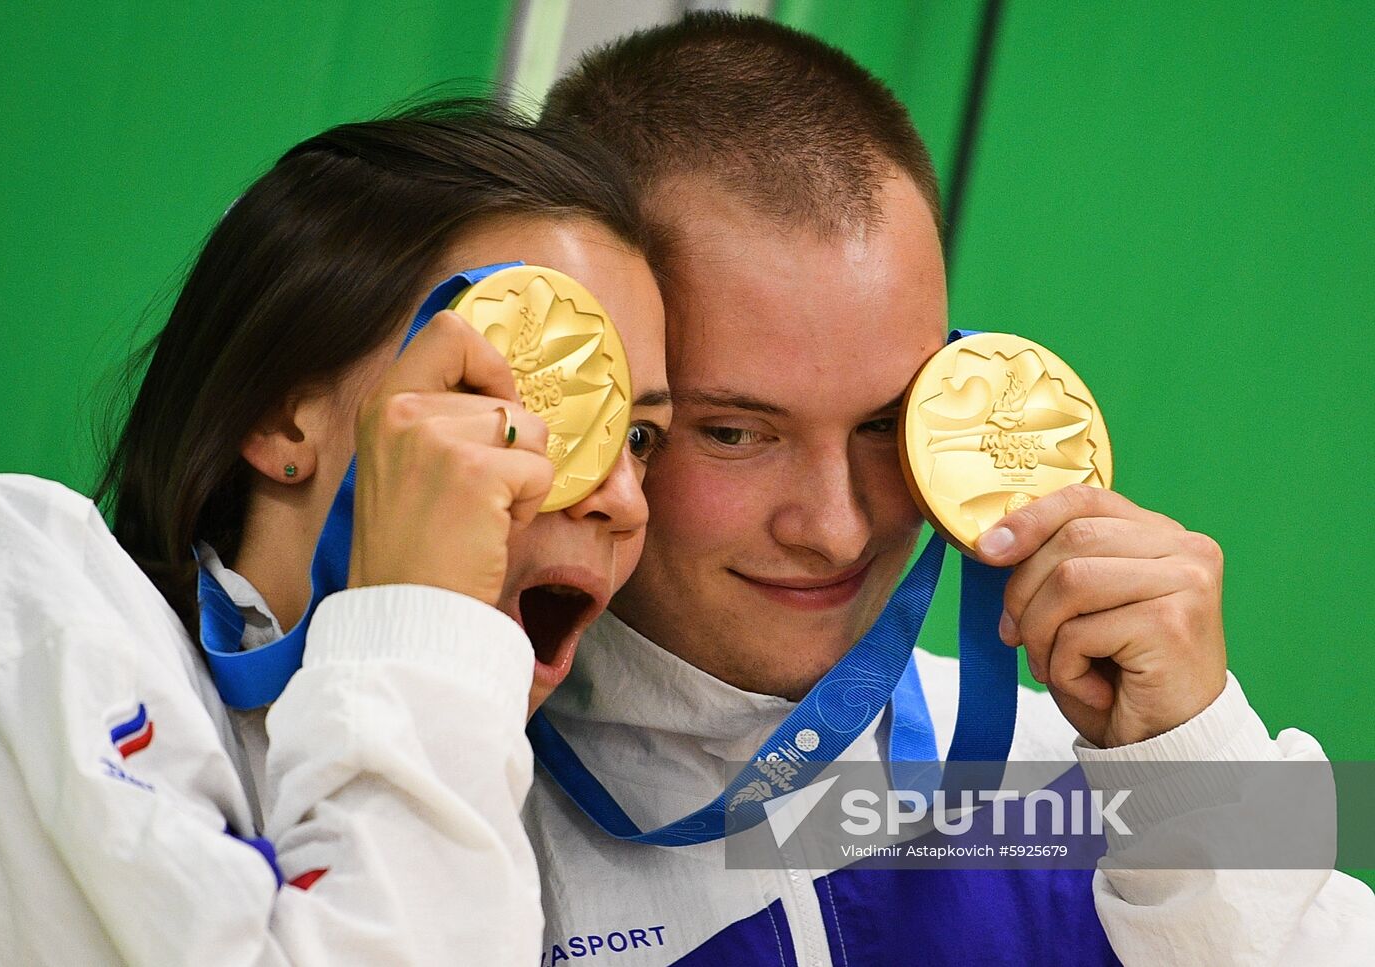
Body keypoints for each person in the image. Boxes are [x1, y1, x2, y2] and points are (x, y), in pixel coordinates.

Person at [524, 14, 1375, 965]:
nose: (839, 529)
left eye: (888, 423)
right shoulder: (439, 809)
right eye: (735, 432)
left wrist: (1199, 781)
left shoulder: (1095, 773)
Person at [0, 98, 670, 964]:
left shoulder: (551, 813)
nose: (623, 495)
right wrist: (420, 621)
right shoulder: (20, 599)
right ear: (282, 415)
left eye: (639, 436)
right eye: (533, 408)